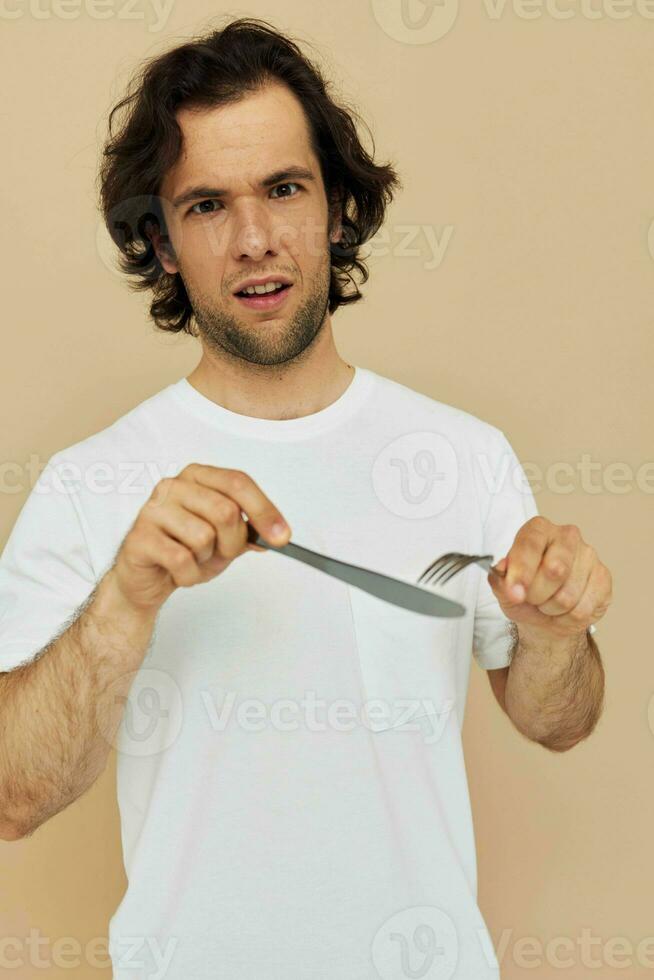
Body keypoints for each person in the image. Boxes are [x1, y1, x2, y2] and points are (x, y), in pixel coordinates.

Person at [0, 17, 608, 980]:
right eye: (206, 206)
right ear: (160, 243)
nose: (254, 241)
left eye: (284, 189)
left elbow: (559, 722)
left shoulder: (459, 455)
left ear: (335, 211)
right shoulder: (90, 484)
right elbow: (10, 798)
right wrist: (124, 600)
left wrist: (554, 630)